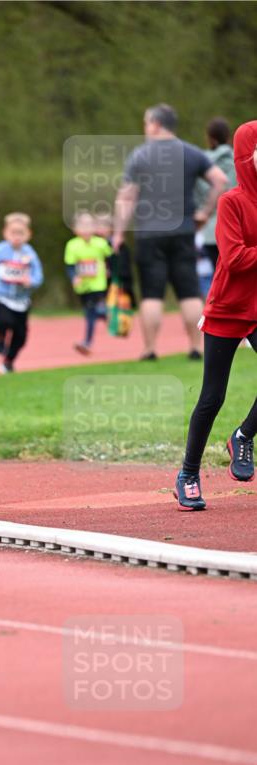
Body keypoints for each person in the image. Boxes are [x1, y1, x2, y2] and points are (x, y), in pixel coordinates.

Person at [174, 120, 257, 511]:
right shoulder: (231, 202)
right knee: (212, 396)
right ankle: (188, 474)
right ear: (247, 158)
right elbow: (236, 257)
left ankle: (243, 436)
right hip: (228, 307)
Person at [113, 103, 228, 360]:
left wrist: (118, 232)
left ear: (155, 123)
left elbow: (126, 197)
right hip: (184, 230)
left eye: (146, 123)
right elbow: (220, 180)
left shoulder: (140, 155)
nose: (145, 128)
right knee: (188, 290)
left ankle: (150, 348)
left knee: (152, 293)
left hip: (148, 233)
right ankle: (196, 347)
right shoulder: (191, 152)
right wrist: (204, 213)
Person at [0, 212, 44, 373]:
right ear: (6, 233)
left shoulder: (30, 254)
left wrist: (31, 282)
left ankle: (8, 362)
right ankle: (1, 338)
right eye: (13, 233)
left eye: (21, 233)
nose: (17, 237)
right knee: (5, 322)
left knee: (20, 336)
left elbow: (38, 276)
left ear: (28, 235)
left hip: (21, 300)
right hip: (1, 296)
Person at [194, 117, 237, 298]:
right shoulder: (240, 160)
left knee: (213, 277)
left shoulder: (200, 164)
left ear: (209, 138)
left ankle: (215, 312)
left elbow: (196, 195)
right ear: (228, 137)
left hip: (208, 230)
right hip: (235, 227)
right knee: (236, 276)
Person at [64, 211, 112, 355]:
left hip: (98, 285)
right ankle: (107, 316)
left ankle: (87, 342)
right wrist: (74, 277)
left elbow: (112, 256)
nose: (86, 229)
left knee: (90, 312)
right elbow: (70, 265)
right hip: (83, 286)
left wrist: (109, 269)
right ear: (75, 229)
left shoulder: (101, 243)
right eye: (82, 225)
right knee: (92, 311)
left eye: (89, 225)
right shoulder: (72, 245)